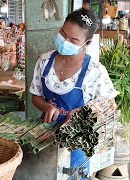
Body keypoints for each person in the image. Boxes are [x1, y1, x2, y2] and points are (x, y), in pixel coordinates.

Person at [29, 8, 118, 178]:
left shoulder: (96, 72)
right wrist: (46, 107)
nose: (64, 41)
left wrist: (84, 113)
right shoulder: (44, 61)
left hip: (78, 143)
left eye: (73, 40)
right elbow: (35, 96)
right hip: (46, 135)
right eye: (63, 34)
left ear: (87, 43)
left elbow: (109, 108)